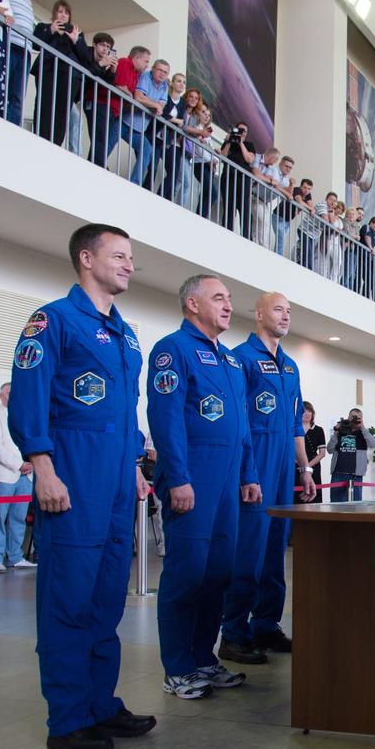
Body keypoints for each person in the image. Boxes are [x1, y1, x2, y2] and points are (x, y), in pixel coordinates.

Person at [8, 223, 155, 749]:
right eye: (119, 256)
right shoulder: (53, 321)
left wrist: (136, 466)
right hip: (72, 477)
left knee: (106, 598)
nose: (129, 265)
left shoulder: (126, 333)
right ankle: (67, 720)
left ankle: (99, 703)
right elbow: (28, 398)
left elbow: (124, 411)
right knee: (68, 600)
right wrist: (42, 466)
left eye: (131, 257)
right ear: (86, 259)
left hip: (117, 481)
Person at [147, 275, 259, 700]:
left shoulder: (231, 362)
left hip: (227, 485)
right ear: (192, 304)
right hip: (192, 481)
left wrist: (248, 474)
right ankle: (177, 667)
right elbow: (167, 418)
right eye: (218, 298)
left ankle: (203, 657)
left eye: (230, 298)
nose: (229, 305)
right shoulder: (172, 351)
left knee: (218, 574)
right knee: (186, 574)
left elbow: (242, 427)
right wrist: (178, 477)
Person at [220, 293, 317, 664]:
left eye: (289, 311)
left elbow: (296, 424)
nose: (286, 316)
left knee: (276, 547)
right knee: (250, 548)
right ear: (258, 314)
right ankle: (233, 631)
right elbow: (239, 421)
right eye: (278, 309)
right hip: (254, 466)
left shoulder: (290, 366)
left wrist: (305, 468)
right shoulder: (240, 359)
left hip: (282, 470)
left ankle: (265, 624)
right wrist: (247, 472)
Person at [0, 382, 36, 573]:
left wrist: (31, 463)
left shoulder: (25, 416)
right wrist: (19, 464)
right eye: (9, 393)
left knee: (18, 518)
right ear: (1, 395)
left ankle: (15, 556)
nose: (13, 396)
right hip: (5, 474)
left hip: (27, 474)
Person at [31, 0, 84, 148]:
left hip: (68, 77)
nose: (63, 15)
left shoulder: (76, 34)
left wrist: (75, 40)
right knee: (44, 105)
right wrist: (51, 30)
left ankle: (55, 144)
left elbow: (85, 58)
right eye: (60, 11)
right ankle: (40, 140)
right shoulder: (44, 27)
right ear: (54, 13)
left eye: (66, 12)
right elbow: (35, 43)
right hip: (48, 72)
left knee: (62, 112)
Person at [128, 58, 170, 189]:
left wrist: (149, 102)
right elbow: (138, 97)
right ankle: (95, 164)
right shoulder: (146, 76)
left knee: (146, 150)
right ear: (153, 69)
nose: (162, 74)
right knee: (105, 142)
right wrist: (154, 104)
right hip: (126, 120)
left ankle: (135, 183)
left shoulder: (165, 86)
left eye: (165, 72)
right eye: (160, 70)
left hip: (140, 128)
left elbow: (161, 107)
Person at [81, 32, 120, 169]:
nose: (105, 49)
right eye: (103, 45)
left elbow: (106, 83)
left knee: (101, 136)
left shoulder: (105, 62)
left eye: (108, 46)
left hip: (101, 102)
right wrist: (101, 64)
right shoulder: (87, 54)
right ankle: (99, 166)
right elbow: (87, 75)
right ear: (94, 45)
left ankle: (95, 164)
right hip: (91, 100)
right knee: (100, 135)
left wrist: (113, 71)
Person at [1, 0, 35, 127]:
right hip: (8, 43)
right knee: (3, 86)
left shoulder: (28, 1)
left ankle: (12, 127)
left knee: (18, 95)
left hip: (25, 50)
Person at [326, 408, 375, 502]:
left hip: (356, 475)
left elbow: (373, 444)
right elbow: (329, 449)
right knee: (336, 505)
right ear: (348, 417)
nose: (355, 420)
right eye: (353, 417)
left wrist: (362, 427)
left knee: (356, 506)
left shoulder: (364, 433)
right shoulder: (340, 431)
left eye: (358, 418)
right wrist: (336, 433)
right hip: (338, 473)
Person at [219, 122, 257, 239]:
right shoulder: (228, 142)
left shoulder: (249, 145)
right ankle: (227, 235)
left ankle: (246, 238)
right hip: (228, 178)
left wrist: (240, 143)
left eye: (244, 131)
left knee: (245, 210)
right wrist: (229, 141)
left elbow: (249, 159)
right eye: (240, 130)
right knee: (229, 209)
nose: (242, 132)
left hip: (243, 181)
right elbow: (223, 156)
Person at [156, 72, 189, 203]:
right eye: (179, 81)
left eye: (184, 82)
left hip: (171, 140)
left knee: (173, 173)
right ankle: (157, 197)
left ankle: (166, 200)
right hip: (158, 135)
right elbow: (162, 114)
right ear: (173, 83)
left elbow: (182, 122)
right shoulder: (166, 97)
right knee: (152, 165)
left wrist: (174, 121)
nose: (181, 84)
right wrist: (175, 120)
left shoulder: (182, 104)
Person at [296, 401, 326, 505]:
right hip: (295, 467)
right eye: (304, 411)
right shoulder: (294, 429)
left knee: (313, 498)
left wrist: (306, 467)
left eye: (310, 411)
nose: (307, 414)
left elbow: (322, 453)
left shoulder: (318, 430)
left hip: (313, 468)